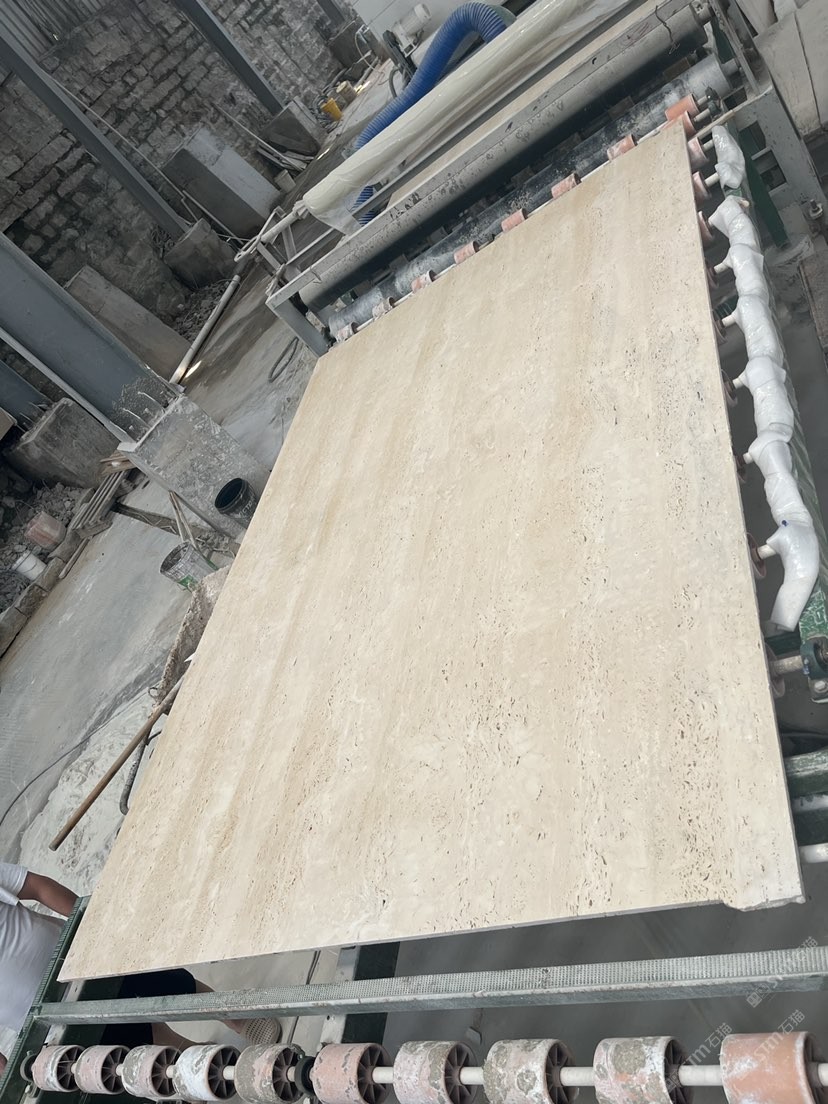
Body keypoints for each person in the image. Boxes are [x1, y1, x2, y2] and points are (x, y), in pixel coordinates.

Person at [0, 863, 279, 1074]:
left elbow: (35, 886)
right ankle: (200, 1062)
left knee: (171, 984)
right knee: (137, 1038)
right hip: (49, 1019)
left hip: (78, 959)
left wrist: (87, 925)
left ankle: (237, 1019)